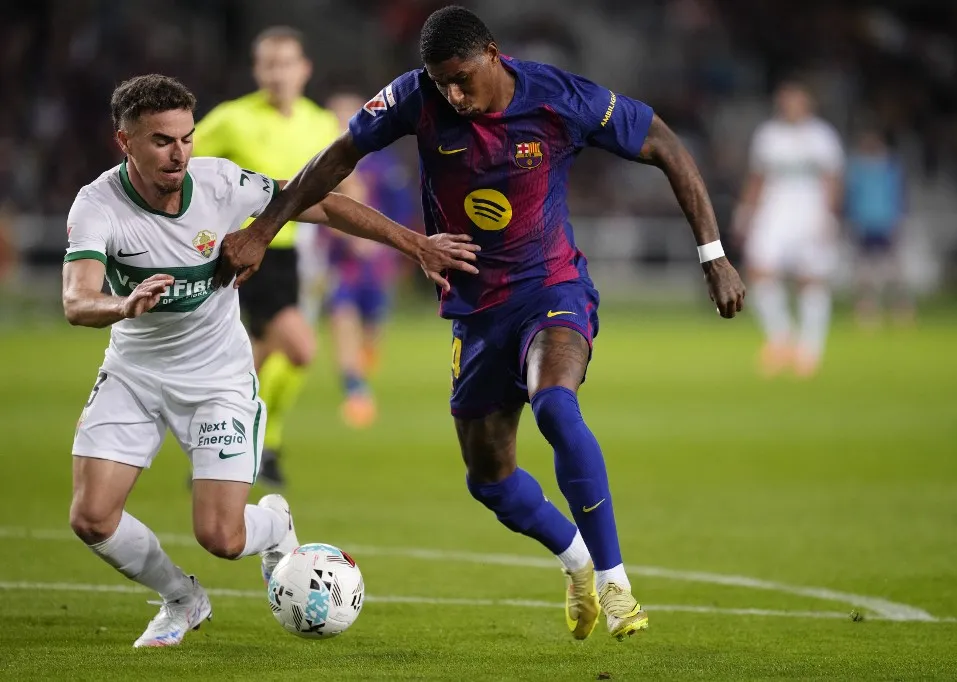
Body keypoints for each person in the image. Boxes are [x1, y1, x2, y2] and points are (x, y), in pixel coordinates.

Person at [216, 5, 745, 641]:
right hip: (476, 312)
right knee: (489, 479)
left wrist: (711, 255)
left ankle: (615, 582)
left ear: (492, 53)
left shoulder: (557, 97)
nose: (453, 94)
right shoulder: (417, 98)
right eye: (440, 81)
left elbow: (662, 142)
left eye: (462, 77)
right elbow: (337, 159)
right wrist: (263, 228)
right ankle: (575, 562)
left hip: (554, 288)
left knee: (555, 403)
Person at [62, 74, 478, 648]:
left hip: (217, 381)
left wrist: (417, 243)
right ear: (124, 142)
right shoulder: (97, 205)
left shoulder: (220, 183)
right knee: (91, 518)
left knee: (222, 538)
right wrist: (124, 304)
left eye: (185, 138)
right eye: (161, 141)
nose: (179, 153)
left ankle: (276, 522)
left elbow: (323, 204)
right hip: (133, 374)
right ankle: (181, 599)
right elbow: (76, 300)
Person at [192, 26, 340, 486]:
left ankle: (230, 440)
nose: (278, 74)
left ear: (304, 69)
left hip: (292, 252)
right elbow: (179, 165)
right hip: (240, 251)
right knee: (300, 348)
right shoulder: (230, 119)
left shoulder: (321, 123)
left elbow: (335, 182)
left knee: (252, 359)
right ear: (258, 70)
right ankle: (252, 439)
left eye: (286, 64)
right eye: (269, 65)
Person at [322, 92, 419, 427]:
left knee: (373, 328)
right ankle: (356, 392)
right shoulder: (322, 165)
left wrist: (390, 244)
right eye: (335, 117)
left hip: (378, 262)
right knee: (342, 316)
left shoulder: (383, 164)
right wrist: (338, 238)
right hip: (342, 263)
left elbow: (402, 209)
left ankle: (361, 374)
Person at [735, 79, 844, 377]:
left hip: (810, 212)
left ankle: (809, 350)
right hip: (774, 211)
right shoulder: (768, 135)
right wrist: (745, 213)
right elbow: (757, 178)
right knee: (758, 271)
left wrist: (830, 215)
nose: (790, 106)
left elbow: (832, 180)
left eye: (795, 100)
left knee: (811, 278)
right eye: (785, 100)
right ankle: (781, 338)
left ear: (807, 103)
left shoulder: (822, 136)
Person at [844, 129, 913, 327]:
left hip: (886, 224)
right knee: (864, 273)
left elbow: (900, 196)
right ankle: (867, 313)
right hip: (863, 225)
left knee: (894, 272)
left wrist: (898, 220)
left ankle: (902, 312)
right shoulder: (856, 168)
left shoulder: (891, 167)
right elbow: (851, 197)